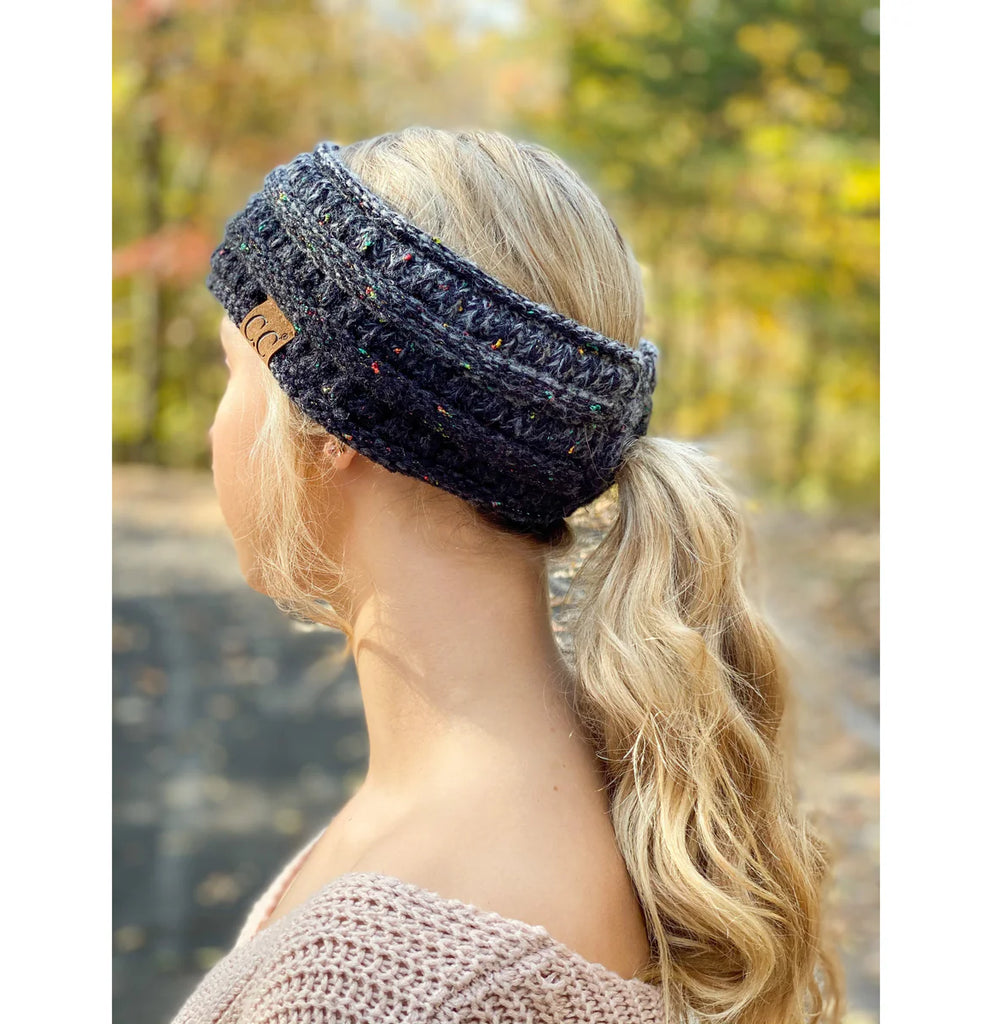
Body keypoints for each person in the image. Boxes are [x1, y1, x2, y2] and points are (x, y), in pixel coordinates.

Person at [171, 128, 841, 1024]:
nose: (214, 429)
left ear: (329, 424)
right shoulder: (596, 797)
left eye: (232, 370)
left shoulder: (383, 982)